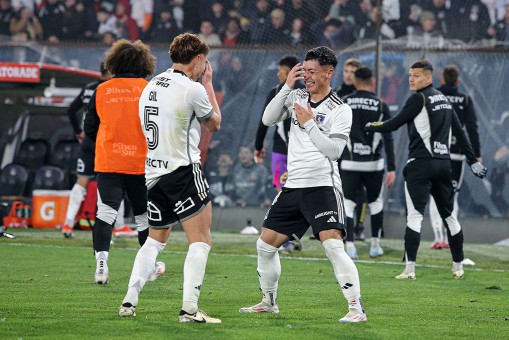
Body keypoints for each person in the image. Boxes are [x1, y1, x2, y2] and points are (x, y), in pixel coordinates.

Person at [239, 46, 367, 323]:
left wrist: (309, 124)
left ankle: (356, 309)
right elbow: (267, 119)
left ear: (328, 72)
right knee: (265, 246)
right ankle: (268, 302)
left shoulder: (340, 108)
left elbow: (334, 151)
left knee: (333, 245)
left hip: (322, 186)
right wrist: (286, 87)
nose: (306, 77)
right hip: (293, 185)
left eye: (312, 72)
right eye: (304, 71)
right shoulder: (295, 95)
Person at [118, 33, 222, 323]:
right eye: (205, 62)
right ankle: (189, 309)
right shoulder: (193, 89)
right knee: (201, 241)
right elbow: (214, 124)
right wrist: (209, 84)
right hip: (183, 171)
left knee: (154, 241)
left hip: (153, 174)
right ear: (199, 59)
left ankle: (129, 300)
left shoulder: (151, 85)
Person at [364, 60, 488, 280]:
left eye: (417, 75)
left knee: (414, 217)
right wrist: (472, 161)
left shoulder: (417, 98)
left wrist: (372, 126)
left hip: (420, 165)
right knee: (450, 217)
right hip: (443, 165)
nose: (411, 79)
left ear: (429, 78)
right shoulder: (443, 100)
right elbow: (460, 132)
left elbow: (394, 124)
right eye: (410, 75)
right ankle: (458, 266)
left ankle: (409, 269)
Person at [84, 39, 157, 284]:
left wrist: (110, 141)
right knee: (143, 219)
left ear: (114, 62)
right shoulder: (148, 88)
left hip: (109, 162)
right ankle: (149, 267)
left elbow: (89, 129)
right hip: (141, 163)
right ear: (143, 63)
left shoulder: (101, 90)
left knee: (105, 214)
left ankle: (101, 266)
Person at [62, 63, 134, 239]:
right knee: (116, 180)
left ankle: (68, 223)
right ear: (111, 71)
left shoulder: (89, 89)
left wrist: (78, 132)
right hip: (106, 140)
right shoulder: (112, 89)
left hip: (88, 140)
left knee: (82, 181)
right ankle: (118, 226)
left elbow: (72, 110)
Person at [341, 66, 396, 259]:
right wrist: (392, 168)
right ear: (373, 83)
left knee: (347, 203)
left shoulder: (344, 102)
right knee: (375, 203)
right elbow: (388, 138)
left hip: (348, 162)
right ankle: (374, 245)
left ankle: (349, 246)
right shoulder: (381, 106)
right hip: (374, 164)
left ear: (355, 83)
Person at [254, 55, 304, 252]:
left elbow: (262, 122)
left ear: (289, 72)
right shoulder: (306, 91)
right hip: (287, 151)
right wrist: (259, 145)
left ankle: (289, 236)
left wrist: (258, 146)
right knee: (288, 192)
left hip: (288, 152)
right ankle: (289, 238)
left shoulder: (279, 92)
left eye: (280, 71)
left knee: (286, 193)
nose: (278, 74)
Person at [429, 64, 482, 250]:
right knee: (453, 196)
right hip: (457, 156)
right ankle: (451, 235)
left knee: (434, 195)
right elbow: (472, 129)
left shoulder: (433, 96)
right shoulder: (465, 100)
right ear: (458, 81)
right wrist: (476, 155)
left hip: (435, 153)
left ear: (441, 79)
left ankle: (437, 237)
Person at [335, 57, 367, 241]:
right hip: (338, 147)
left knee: (359, 189)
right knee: (335, 187)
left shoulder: (361, 96)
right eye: (346, 71)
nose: (348, 75)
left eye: (352, 72)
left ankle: (359, 227)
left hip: (357, 150)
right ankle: (334, 225)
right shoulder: (336, 93)